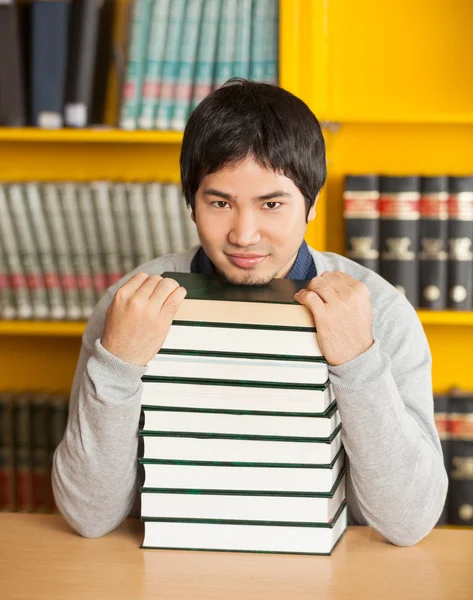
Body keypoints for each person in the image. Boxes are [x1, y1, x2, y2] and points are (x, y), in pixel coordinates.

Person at [52, 79, 447, 546]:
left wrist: (358, 361)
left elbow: (409, 522)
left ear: (312, 204)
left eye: (272, 204)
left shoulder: (380, 311)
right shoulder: (129, 305)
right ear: (191, 204)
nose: (243, 234)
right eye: (220, 203)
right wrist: (117, 365)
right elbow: (88, 515)